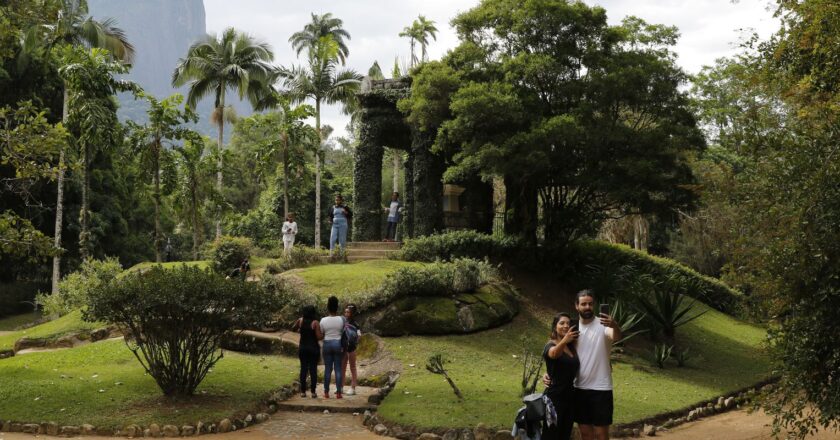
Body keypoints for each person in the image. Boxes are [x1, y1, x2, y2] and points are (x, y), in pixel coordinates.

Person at [545, 290, 621, 440]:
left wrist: (614, 325)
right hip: (579, 389)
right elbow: (561, 354)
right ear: (576, 306)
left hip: (601, 388)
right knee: (585, 434)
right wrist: (549, 373)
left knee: (601, 435)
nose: (587, 307)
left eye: (590, 304)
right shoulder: (572, 329)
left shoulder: (604, 325)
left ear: (594, 305)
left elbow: (616, 336)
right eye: (583, 304)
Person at [543, 313, 580, 440]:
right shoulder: (550, 345)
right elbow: (553, 355)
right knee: (551, 434)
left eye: (568, 324)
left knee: (565, 434)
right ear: (555, 327)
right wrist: (565, 340)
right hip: (554, 398)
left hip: (570, 397)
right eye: (562, 323)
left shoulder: (572, 347)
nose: (566, 326)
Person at [319, 296, 345, 399]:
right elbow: (343, 332)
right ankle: (339, 393)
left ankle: (326, 392)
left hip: (327, 344)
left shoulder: (323, 320)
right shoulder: (341, 319)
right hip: (338, 344)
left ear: (328, 307)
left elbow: (322, 333)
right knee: (338, 369)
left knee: (328, 369)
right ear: (337, 307)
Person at [293, 305, 321, 398]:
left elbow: (293, 328)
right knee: (313, 370)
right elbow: (318, 337)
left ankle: (303, 392)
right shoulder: (315, 323)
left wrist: (299, 329)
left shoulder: (300, 321)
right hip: (313, 349)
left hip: (303, 348)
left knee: (303, 369)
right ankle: (313, 392)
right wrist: (324, 334)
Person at [341, 304, 361, 395]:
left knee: (352, 367)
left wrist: (354, 340)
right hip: (343, 347)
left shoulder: (356, 324)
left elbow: (359, 335)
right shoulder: (343, 322)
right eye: (345, 312)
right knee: (342, 367)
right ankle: (340, 387)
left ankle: (353, 388)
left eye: (348, 312)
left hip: (351, 348)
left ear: (352, 313)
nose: (346, 313)